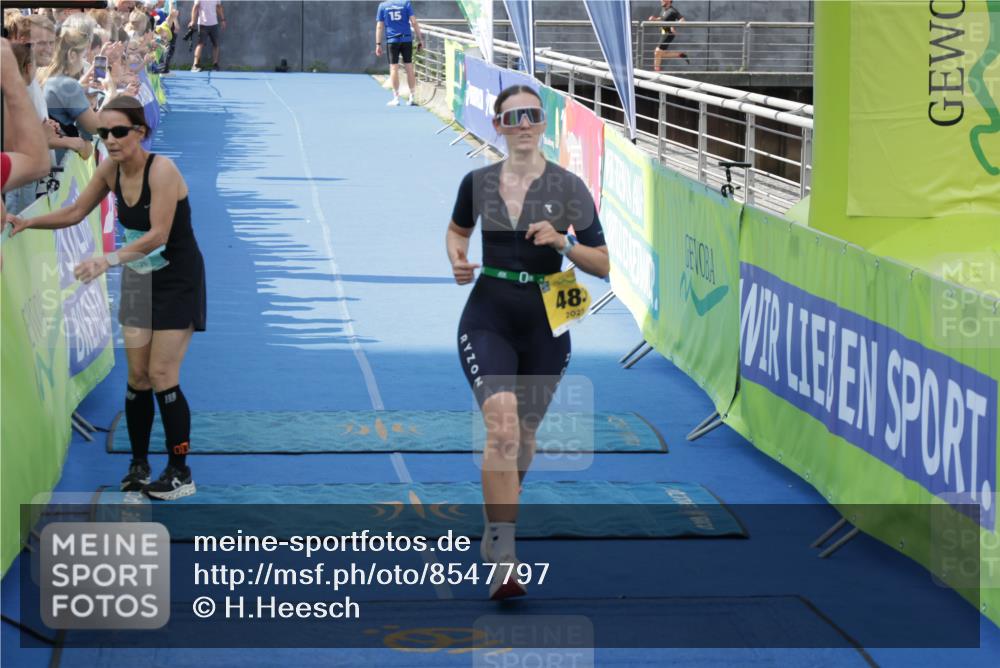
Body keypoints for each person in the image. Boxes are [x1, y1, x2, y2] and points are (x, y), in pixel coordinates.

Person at [447, 85, 609, 600]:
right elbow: (456, 232)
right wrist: (456, 258)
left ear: (545, 123)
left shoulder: (569, 187)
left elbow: (603, 264)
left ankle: (498, 519)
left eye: (532, 115)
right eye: (512, 116)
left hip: (547, 318)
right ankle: (505, 553)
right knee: (502, 429)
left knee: (525, 435)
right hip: (488, 315)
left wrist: (564, 242)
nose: (523, 123)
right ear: (497, 125)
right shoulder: (477, 182)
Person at [7, 95, 206, 501]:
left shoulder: (162, 171)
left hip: (177, 279)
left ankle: (180, 470)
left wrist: (106, 260)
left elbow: (158, 236)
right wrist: (26, 222)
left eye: (118, 132)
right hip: (138, 278)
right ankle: (138, 465)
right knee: (137, 377)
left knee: (163, 374)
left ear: (141, 132)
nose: (110, 140)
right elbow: (76, 211)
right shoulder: (110, 170)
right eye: (103, 133)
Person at [37, 27, 101, 154]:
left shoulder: (42, 72)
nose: (83, 63)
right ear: (72, 55)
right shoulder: (67, 85)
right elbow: (96, 127)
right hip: (59, 158)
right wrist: (112, 93)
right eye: (83, 56)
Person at [0, 38, 50, 195]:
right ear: (28, 67)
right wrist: (11, 78)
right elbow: (37, 163)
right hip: (17, 189)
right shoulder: (18, 94)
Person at [375, 0, 423, 106]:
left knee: (393, 68)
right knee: (409, 66)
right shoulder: (406, 3)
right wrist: (420, 39)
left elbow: (379, 26)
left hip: (392, 41)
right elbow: (414, 22)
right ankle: (411, 97)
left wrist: (378, 44)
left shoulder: (383, 6)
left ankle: (396, 98)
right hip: (406, 39)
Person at [649, 0, 689, 70]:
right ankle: (680, 54)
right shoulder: (663, 9)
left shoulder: (673, 10)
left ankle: (657, 73)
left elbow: (682, 20)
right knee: (660, 53)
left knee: (657, 51)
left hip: (669, 33)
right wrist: (655, 19)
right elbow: (662, 18)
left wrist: (673, 25)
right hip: (664, 31)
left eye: (663, 0)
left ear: (669, 1)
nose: (661, 1)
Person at [188, 0, 224, 72]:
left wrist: (223, 19)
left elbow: (218, 7)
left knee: (216, 44)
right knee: (200, 44)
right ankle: (195, 65)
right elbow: (195, 7)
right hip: (203, 24)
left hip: (214, 23)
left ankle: (215, 64)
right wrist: (192, 21)